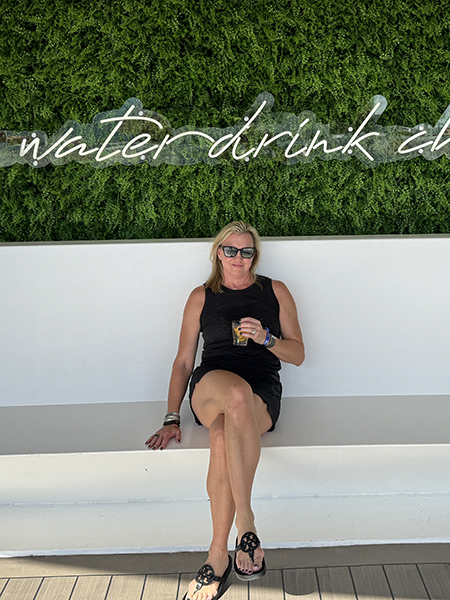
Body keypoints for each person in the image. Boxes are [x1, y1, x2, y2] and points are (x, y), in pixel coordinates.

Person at [145, 221, 305, 600]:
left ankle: (217, 555)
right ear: (218, 253)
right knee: (234, 394)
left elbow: (298, 354)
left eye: (246, 251)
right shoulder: (202, 296)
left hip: (262, 390)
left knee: (221, 435)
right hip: (213, 384)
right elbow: (183, 361)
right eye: (230, 250)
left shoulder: (275, 291)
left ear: (255, 255)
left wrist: (267, 338)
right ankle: (247, 524)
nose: (238, 257)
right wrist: (172, 416)